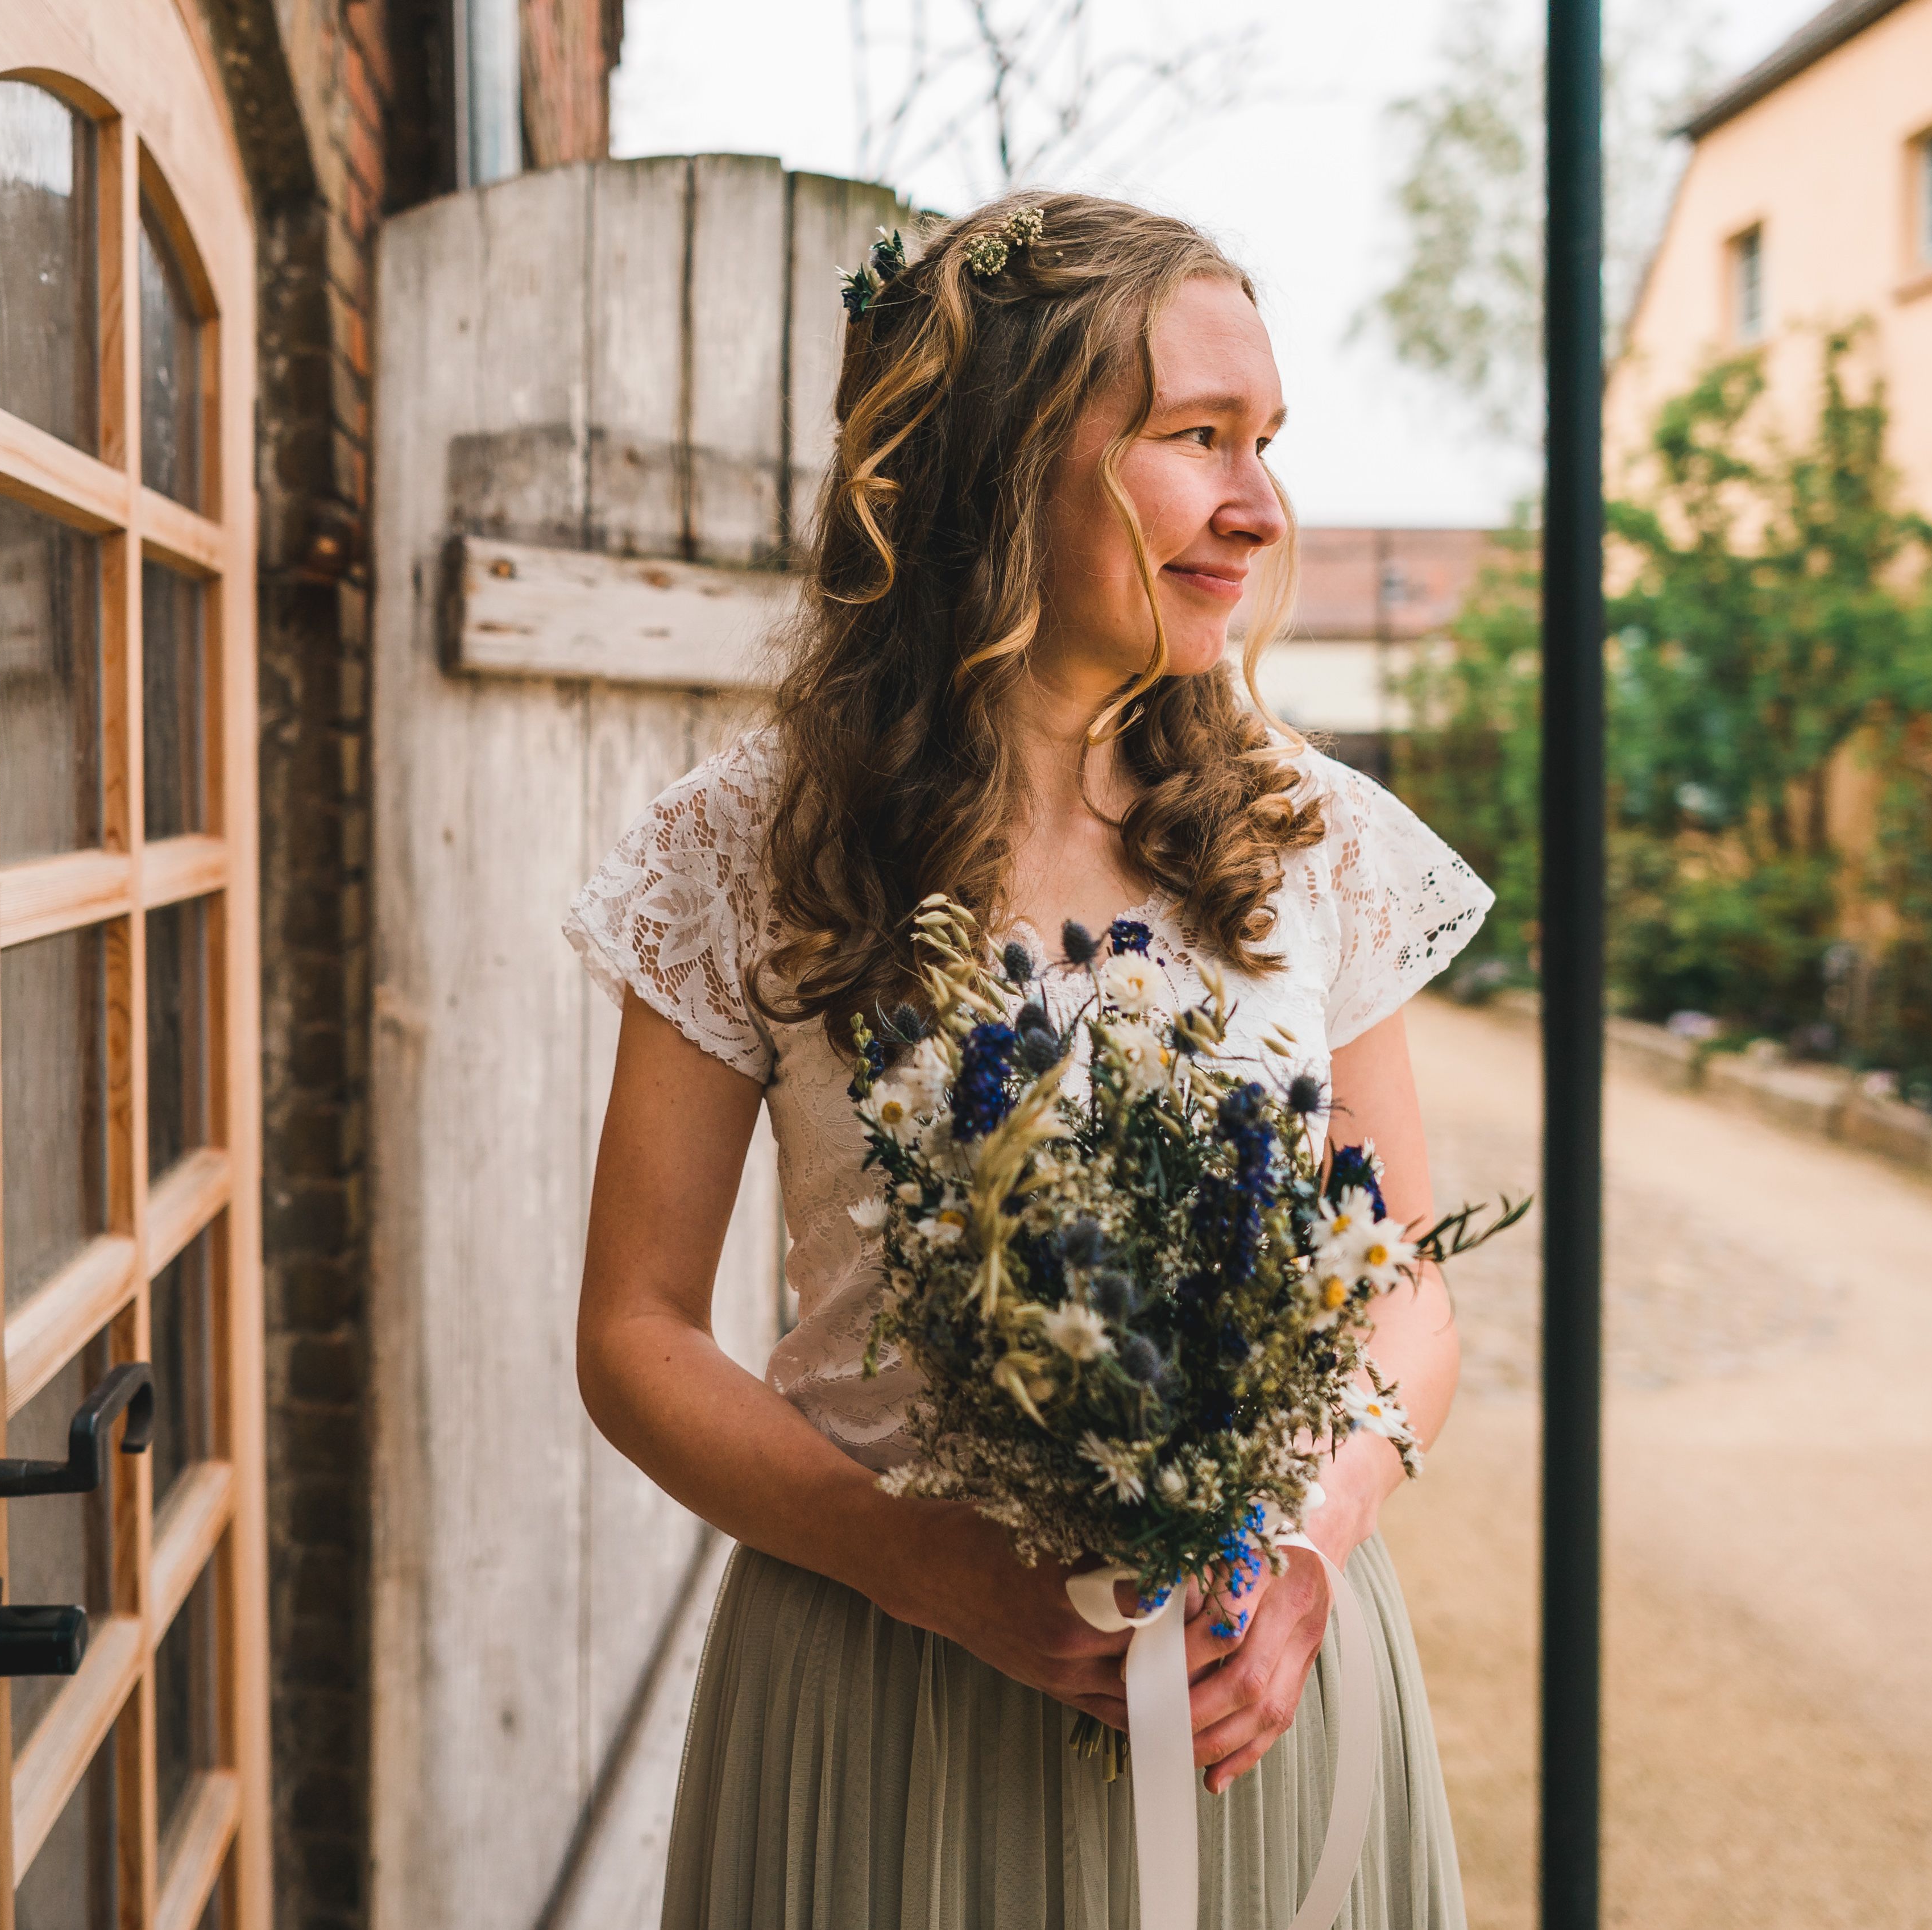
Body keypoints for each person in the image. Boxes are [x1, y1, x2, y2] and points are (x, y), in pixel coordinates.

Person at [568, 193, 1492, 1929]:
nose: (1257, 506)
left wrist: (1309, 1538)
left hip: (1258, 1679)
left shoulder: (1314, 843)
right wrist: (924, 1565)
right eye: (1191, 438)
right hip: (879, 1685)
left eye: (1265, 442)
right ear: (1004, 467)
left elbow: (1410, 1287)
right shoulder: (748, 852)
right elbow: (632, 1333)